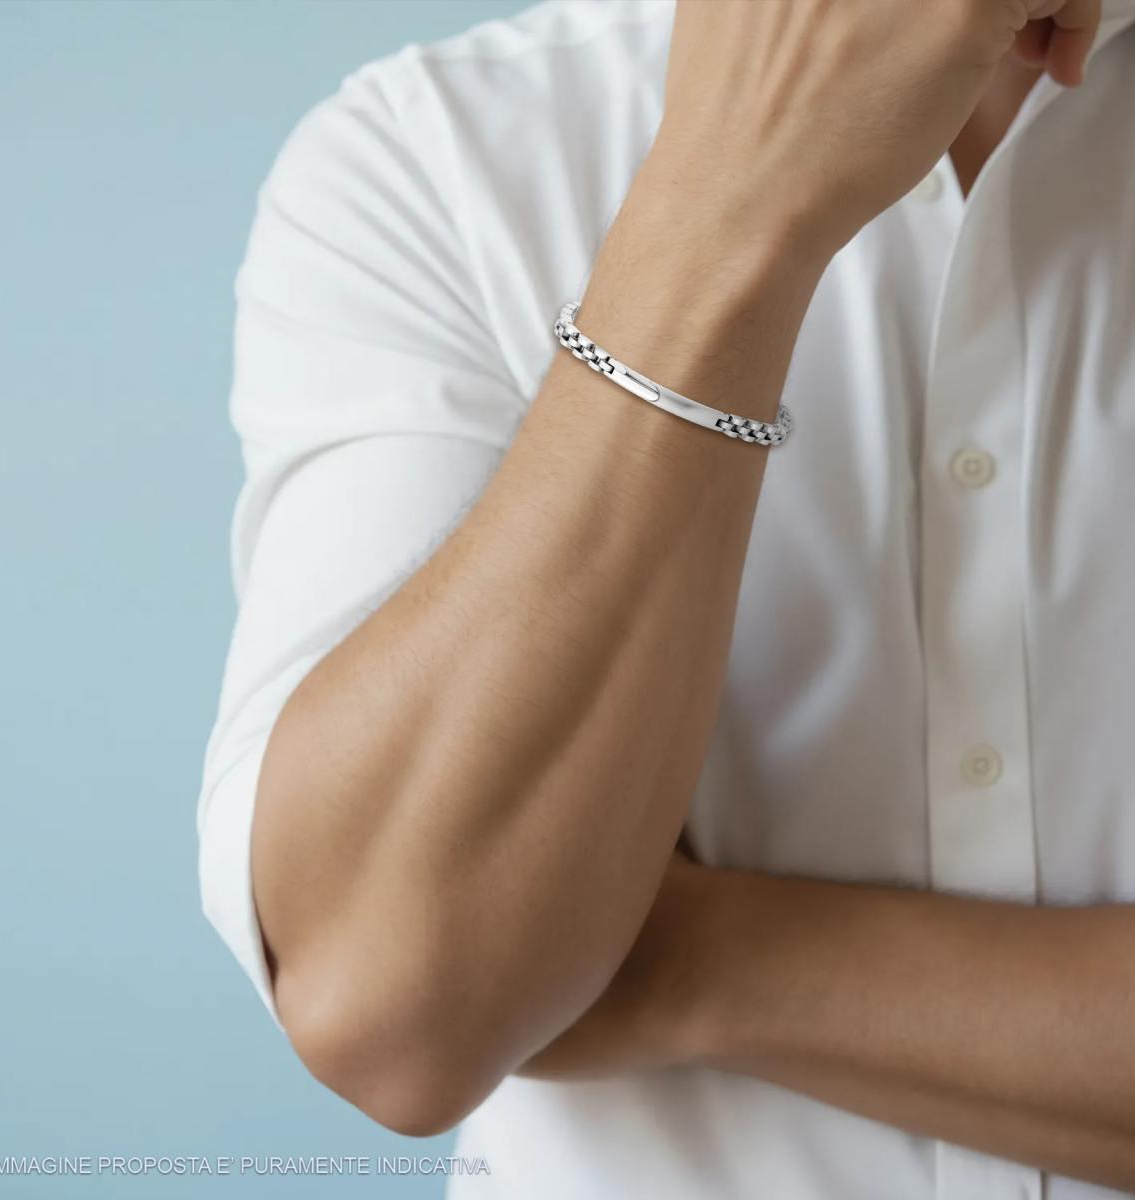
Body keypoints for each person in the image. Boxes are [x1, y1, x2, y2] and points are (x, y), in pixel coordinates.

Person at [196, 0, 1135, 1195]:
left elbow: (448, 964)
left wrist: (666, 962)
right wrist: (737, 190)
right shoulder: (437, 157)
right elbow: (395, 1006)